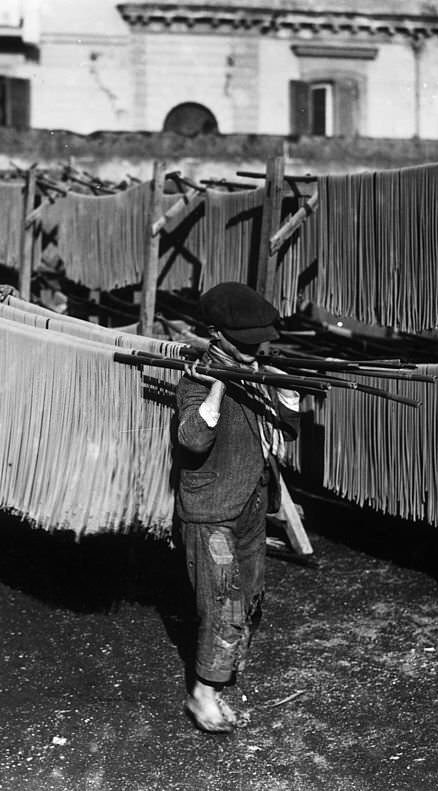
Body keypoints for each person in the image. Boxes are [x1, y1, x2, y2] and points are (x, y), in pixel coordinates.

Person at [173, 282, 301, 733]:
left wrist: (287, 398)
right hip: (212, 512)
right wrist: (217, 390)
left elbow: (286, 429)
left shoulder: (259, 368)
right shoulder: (197, 376)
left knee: (246, 591)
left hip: (249, 503)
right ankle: (202, 695)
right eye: (244, 341)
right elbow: (192, 439)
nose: (256, 349)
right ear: (216, 334)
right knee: (223, 600)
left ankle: (219, 679)